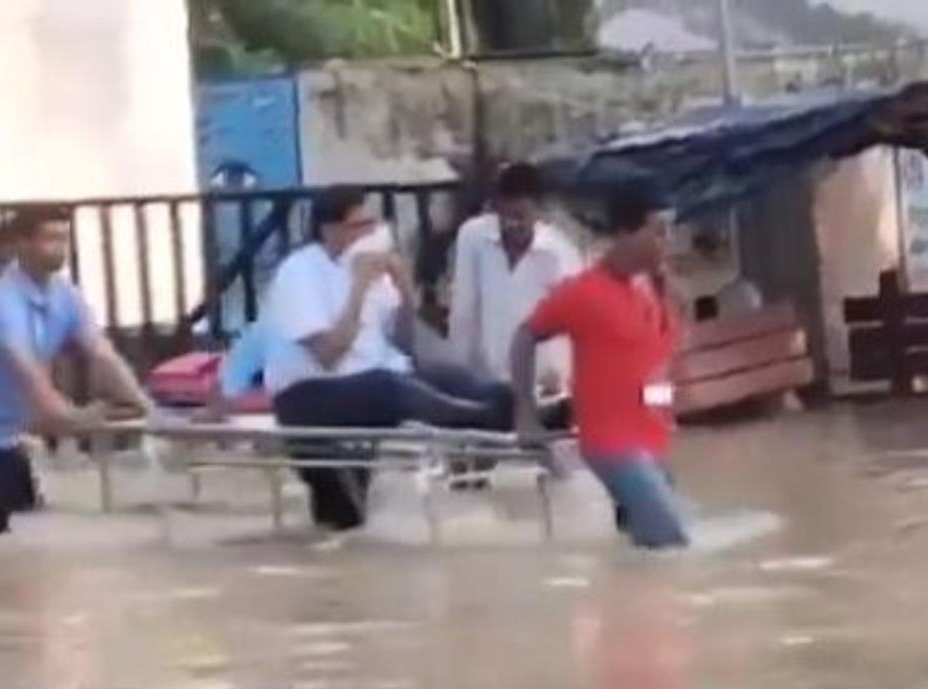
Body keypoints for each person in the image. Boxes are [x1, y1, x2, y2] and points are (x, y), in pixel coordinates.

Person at [264, 186, 515, 531]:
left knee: (470, 384)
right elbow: (329, 355)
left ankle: (500, 414)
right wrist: (357, 288)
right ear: (329, 230)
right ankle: (470, 419)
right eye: (359, 225)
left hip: (375, 382)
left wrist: (404, 287)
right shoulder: (300, 271)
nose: (370, 233)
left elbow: (406, 343)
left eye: (372, 223)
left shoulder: (373, 271)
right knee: (389, 388)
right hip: (312, 394)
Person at [511, 187, 689, 550]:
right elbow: (524, 337)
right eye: (657, 231)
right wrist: (525, 414)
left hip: (653, 443)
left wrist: (666, 409)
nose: (666, 242)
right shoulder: (583, 292)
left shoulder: (651, 293)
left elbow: (656, 367)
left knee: (650, 550)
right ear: (624, 234)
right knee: (674, 542)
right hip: (612, 445)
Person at [0, 206, 153, 540]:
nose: (60, 248)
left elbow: (102, 353)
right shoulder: (1, 303)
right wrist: (87, 417)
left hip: (6, 445)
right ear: (23, 244)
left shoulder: (64, 295)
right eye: (50, 239)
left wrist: (144, 406)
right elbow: (35, 386)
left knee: (22, 558)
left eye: (64, 238)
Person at [448, 162, 581, 395]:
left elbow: (572, 326)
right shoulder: (473, 238)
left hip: (543, 385)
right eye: (506, 217)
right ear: (496, 209)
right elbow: (463, 311)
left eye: (521, 217)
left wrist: (562, 377)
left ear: (538, 212)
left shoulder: (560, 254)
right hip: (487, 383)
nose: (513, 225)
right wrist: (459, 376)